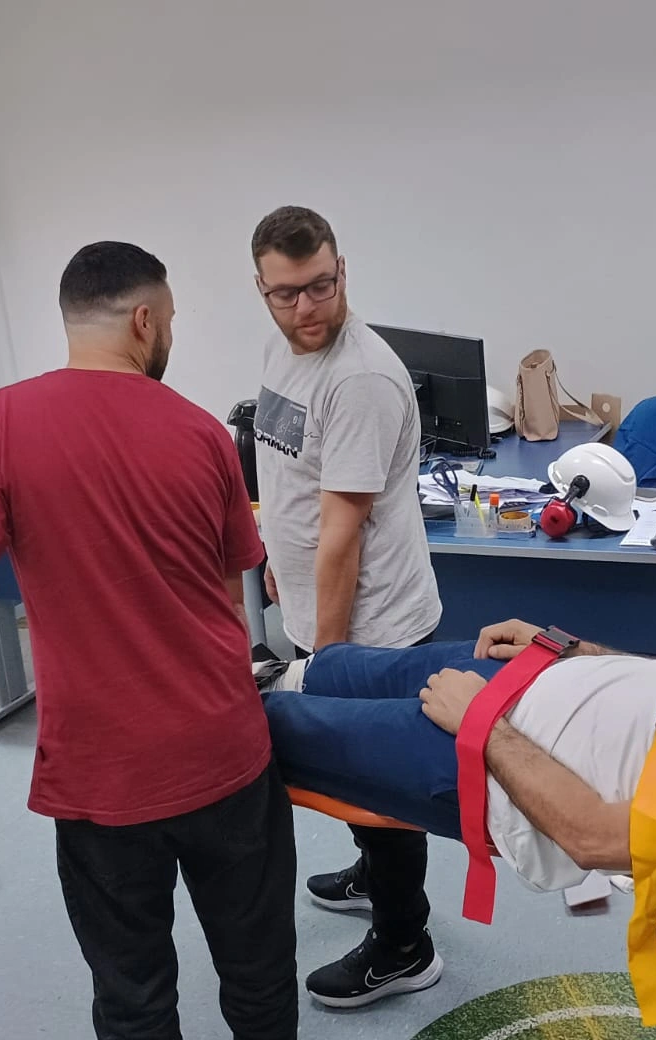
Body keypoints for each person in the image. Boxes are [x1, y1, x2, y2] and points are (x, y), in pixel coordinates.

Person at [0, 243, 297, 1040]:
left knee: (132, 997)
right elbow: (232, 603)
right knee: (259, 974)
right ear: (144, 321)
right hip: (225, 756)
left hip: (101, 775)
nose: (171, 337)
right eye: (172, 322)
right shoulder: (204, 432)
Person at [260, 618, 656, 912]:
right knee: (328, 667)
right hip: (528, 676)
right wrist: (581, 653)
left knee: (269, 724)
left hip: (492, 763)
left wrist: (483, 725)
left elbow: (593, 838)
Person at [250, 204, 445, 1007]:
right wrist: (275, 558)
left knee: (380, 785)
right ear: (262, 289)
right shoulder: (284, 347)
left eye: (321, 286)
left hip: (373, 630)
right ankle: (372, 871)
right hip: (317, 608)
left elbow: (342, 537)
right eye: (287, 293)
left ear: (342, 272)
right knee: (355, 779)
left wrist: (325, 665)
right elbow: (285, 469)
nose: (307, 308)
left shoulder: (360, 378)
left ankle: (405, 944)